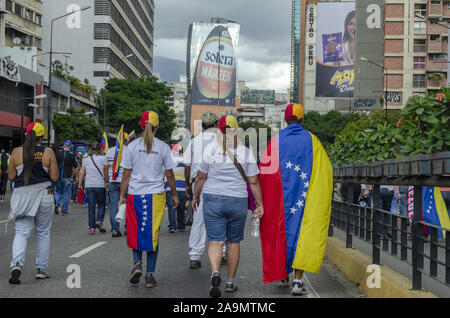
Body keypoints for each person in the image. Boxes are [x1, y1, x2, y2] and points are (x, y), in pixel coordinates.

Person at [259, 104, 333, 296]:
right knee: (303, 234)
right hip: (304, 199)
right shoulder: (313, 141)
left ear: (285, 120)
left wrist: (261, 201)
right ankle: (298, 281)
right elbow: (324, 173)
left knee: (280, 232)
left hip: (279, 200)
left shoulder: (275, 141)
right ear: (302, 120)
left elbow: (264, 172)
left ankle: (282, 274)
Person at [192, 115, 264, 298]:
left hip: (213, 198)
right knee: (233, 242)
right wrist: (259, 204)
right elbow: (254, 182)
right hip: (237, 200)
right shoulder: (246, 152)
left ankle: (215, 272)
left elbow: (200, 177)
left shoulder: (209, 150)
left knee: (215, 240)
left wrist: (195, 197)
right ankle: (230, 282)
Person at [119, 110, 179, 288]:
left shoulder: (130, 147)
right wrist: (174, 194)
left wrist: (122, 196)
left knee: (136, 230)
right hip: (156, 195)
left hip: (135, 194)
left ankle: (137, 263)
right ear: (157, 126)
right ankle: (150, 275)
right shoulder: (163, 147)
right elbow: (169, 174)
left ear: (140, 124)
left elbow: (125, 175)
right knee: (152, 234)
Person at [7, 122, 59, 284]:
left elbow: (11, 177)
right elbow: (55, 177)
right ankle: (41, 270)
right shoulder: (48, 152)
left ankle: (16, 264)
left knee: (21, 232)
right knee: (43, 232)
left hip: (22, 196)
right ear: (42, 137)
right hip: (44, 195)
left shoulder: (16, 152)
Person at [183, 112, 225, 269]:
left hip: (197, 183)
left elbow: (187, 165)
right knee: (220, 218)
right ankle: (223, 251)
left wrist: (188, 184)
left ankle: (195, 255)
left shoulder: (194, 142)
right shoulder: (222, 140)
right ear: (216, 124)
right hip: (217, 183)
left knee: (199, 220)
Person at [78, 143, 108, 234]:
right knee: (102, 204)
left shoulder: (86, 159)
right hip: (100, 185)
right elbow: (106, 171)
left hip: (89, 185)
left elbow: (81, 172)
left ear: (91, 150)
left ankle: (91, 228)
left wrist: (80, 183)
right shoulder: (104, 158)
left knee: (91, 206)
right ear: (100, 150)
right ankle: (99, 221)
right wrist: (106, 181)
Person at [105, 133, 131, 237]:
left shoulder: (110, 151)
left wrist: (106, 181)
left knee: (114, 205)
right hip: (127, 182)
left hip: (113, 181)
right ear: (127, 141)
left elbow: (106, 168)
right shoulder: (129, 151)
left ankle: (115, 229)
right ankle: (127, 229)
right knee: (129, 205)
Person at [166, 144, 187, 233]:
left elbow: (167, 174)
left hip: (170, 187)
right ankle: (181, 226)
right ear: (181, 152)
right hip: (182, 187)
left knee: (172, 208)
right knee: (181, 208)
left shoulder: (169, 160)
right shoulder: (185, 160)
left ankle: (172, 227)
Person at [55, 141, 78, 215]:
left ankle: (57, 204)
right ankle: (64, 211)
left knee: (58, 191)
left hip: (58, 176)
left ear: (63, 146)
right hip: (67, 177)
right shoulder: (72, 155)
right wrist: (76, 176)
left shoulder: (57, 153)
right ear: (70, 147)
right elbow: (75, 168)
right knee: (66, 194)